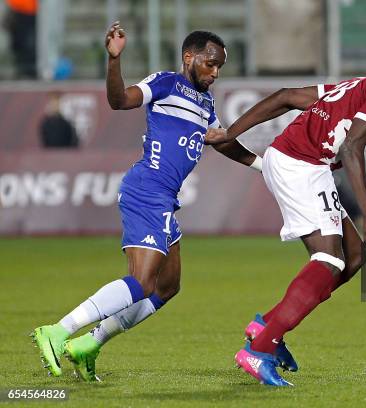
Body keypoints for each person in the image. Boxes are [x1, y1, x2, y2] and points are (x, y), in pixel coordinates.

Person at [31, 22, 261, 382]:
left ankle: (90, 343)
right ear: (190, 57)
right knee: (141, 281)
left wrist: (264, 166)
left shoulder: (205, 102)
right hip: (146, 190)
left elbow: (223, 140)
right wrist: (113, 60)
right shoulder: (167, 83)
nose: (215, 73)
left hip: (166, 199)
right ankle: (59, 330)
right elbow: (119, 100)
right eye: (211, 64)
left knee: (168, 286)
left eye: (220, 67)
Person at [205, 61, 366, 386]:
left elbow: (287, 96)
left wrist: (229, 134)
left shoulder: (363, 86)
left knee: (354, 255)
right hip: (302, 165)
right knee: (330, 259)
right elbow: (350, 147)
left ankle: (267, 327)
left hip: (298, 163)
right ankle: (261, 349)